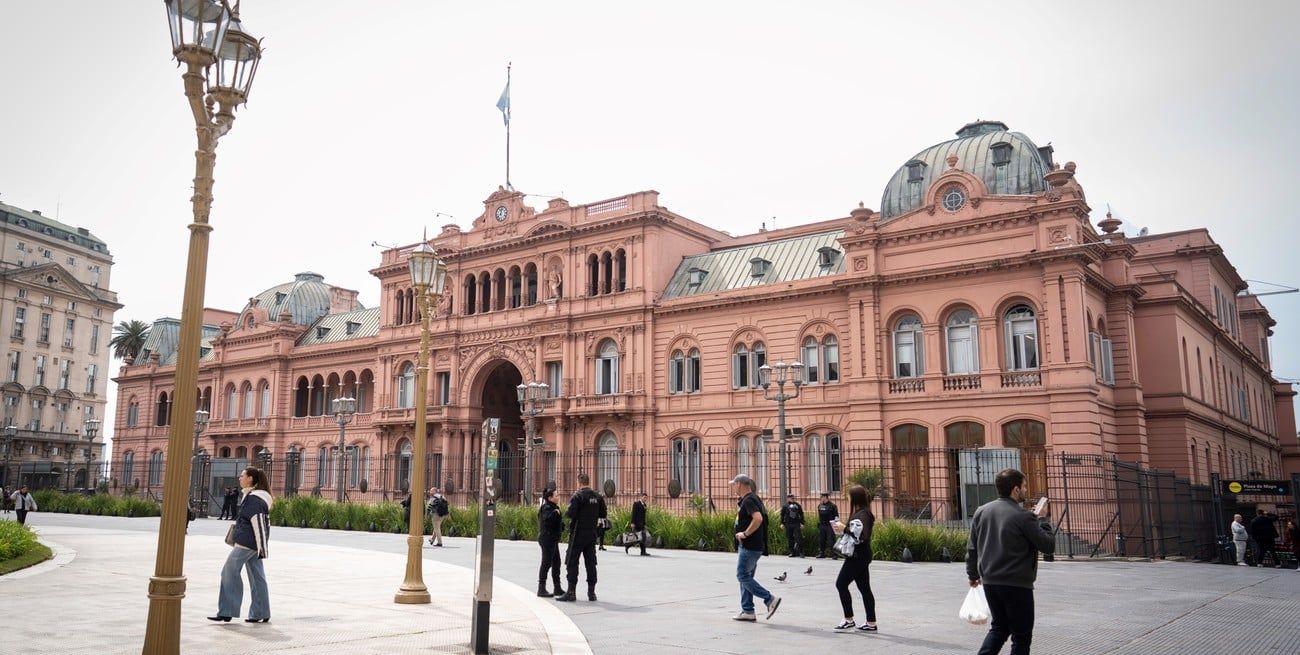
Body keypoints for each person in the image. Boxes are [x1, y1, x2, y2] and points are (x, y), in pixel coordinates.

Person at [966, 468, 1055, 655]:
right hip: (1017, 584)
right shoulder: (1024, 516)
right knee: (1021, 636)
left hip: (990, 581)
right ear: (1015, 489)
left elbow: (972, 548)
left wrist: (973, 575)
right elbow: (1048, 546)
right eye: (1023, 486)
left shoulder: (981, 511)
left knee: (999, 628)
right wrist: (1043, 519)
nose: (1025, 490)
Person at [209, 466, 273, 623]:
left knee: (228, 572)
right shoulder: (254, 497)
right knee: (257, 577)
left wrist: (262, 548)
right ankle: (261, 612)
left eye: (242, 475)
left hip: (247, 543)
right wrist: (261, 547)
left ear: (250, 478)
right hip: (253, 543)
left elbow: (259, 523)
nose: (239, 478)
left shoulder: (254, 499)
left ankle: (227, 610)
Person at [729, 473, 780, 622]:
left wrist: (744, 534)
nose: (734, 487)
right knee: (746, 577)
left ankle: (770, 599)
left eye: (734, 484)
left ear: (739, 484)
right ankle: (748, 610)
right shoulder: (752, 499)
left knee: (742, 576)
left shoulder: (749, 500)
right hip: (752, 546)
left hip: (749, 546)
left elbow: (758, 518)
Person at [830, 484, 876, 632]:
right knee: (864, 588)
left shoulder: (861, 515)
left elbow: (859, 537)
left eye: (849, 495)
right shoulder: (864, 513)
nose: (847, 498)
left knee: (841, 584)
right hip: (862, 555)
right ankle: (871, 622)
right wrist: (843, 530)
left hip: (857, 556)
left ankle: (849, 619)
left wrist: (844, 528)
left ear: (855, 498)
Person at [557, 472, 607, 602]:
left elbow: (570, 514)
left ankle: (571, 592)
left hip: (577, 534)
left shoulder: (578, 496)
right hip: (591, 534)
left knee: (572, 562)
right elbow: (603, 513)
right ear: (588, 482)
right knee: (591, 563)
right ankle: (592, 593)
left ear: (579, 483)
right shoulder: (598, 497)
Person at [537, 487, 565, 597]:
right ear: (550, 498)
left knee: (556, 563)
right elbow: (547, 521)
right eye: (556, 495)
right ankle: (541, 588)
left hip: (553, 539)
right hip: (547, 539)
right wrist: (555, 514)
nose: (558, 497)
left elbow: (556, 523)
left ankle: (557, 587)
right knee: (546, 563)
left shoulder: (554, 507)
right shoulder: (546, 508)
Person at [780, 493, 806, 558]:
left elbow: (801, 514)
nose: (792, 499)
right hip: (788, 524)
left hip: (796, 523)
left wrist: (802, 523)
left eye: (793, 498)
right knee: (790, 538)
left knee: (798, 538)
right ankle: (792, 552)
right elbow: (782, 515)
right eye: (790, 498)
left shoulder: (797, 505)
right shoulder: (785, 506)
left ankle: (801, 552)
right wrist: (782, 523)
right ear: (788, 498)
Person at [816, 492, 840, 559]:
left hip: (830, 525)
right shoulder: (820, 506)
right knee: (821, 540)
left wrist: (836, 525)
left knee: (831, 540)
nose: (821, 498)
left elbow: (836, 516)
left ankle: (834, 554)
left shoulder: (832, 506)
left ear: (825, 497)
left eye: (822, 497)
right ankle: (822, 553)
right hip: (822, 525)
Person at [627, 491, 650, 556]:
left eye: (646, 498)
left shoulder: (645, 505)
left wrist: (645, 524)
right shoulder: (636, 504)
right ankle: (628, 546)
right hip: (636, 523)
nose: (645, 499)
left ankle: (643, 551)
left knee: (642, 538)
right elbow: (633, 514)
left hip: (642, 524)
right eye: (644, 497)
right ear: (641, 497)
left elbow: (644, 516)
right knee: (636, 538)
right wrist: (632, 523)